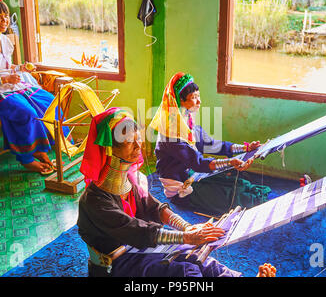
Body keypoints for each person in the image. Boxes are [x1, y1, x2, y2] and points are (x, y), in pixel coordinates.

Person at [77, 108, 275, 277]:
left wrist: (187, 228)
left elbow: (155, 207)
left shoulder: (130, 180)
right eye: (130, 142)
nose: (139, 147)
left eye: (139, 139)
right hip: (117, 263)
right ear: (109, 150)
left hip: (142, 244)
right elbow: (135, 229)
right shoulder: (95, 200)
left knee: (199, 258)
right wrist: (186, 237)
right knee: (186, 272)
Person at [0, 0, 68, 175]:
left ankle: (41, 150)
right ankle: (27, 159)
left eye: (5, 15)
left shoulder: (3, 39)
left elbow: (5, 66)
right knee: (25, 111)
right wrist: (4, 79)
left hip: (11, 86)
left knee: (49, 101)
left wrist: (20, 68)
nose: (4, 20)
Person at [149, 72, 272, 216]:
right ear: (180, 101)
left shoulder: (187, 122)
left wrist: (245, 147)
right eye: (194, 98)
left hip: (193, 175)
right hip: (180, 188)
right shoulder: (171, 134)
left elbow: (211, 144)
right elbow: (198, 163)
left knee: (238, 183)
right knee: (234, 198)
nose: (199, 101)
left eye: (198, 96)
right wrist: (230, 162)